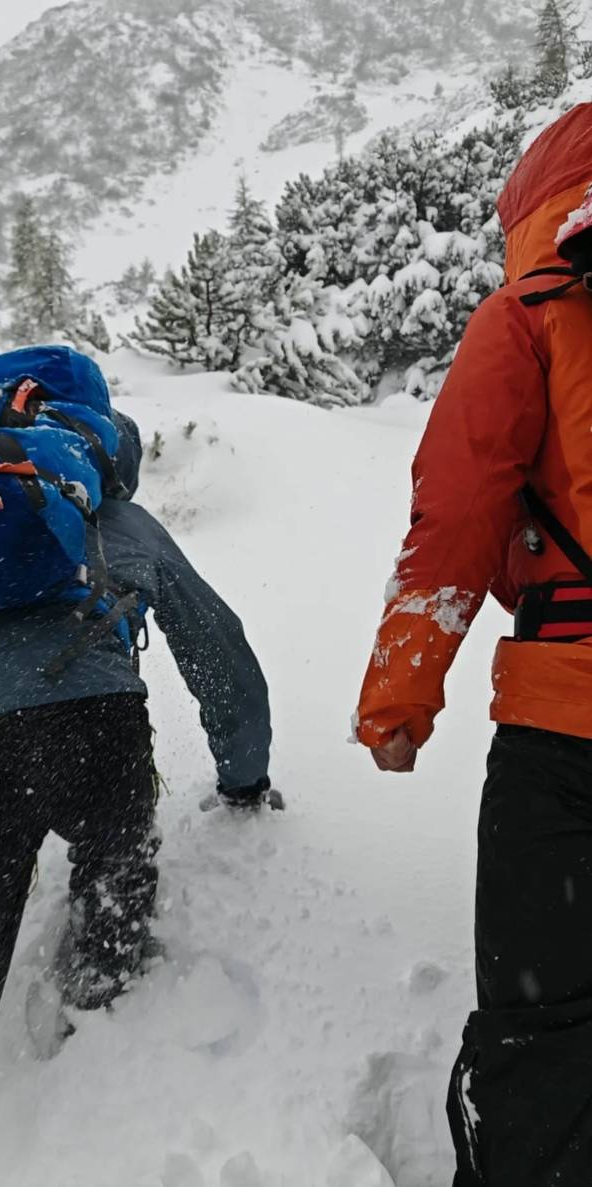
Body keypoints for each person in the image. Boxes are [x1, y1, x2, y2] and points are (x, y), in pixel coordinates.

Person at [0, 404, 272, 1187]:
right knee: (114, 874)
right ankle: (101, 986)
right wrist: (243, 776)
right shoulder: (121, 521)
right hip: (95, 733)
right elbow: (216, 648)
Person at [354, 102, 592, 1185]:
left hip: (564, 728)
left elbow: (452, 517)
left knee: (541, 1026)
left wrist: (398, 696)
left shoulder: (530, 309)